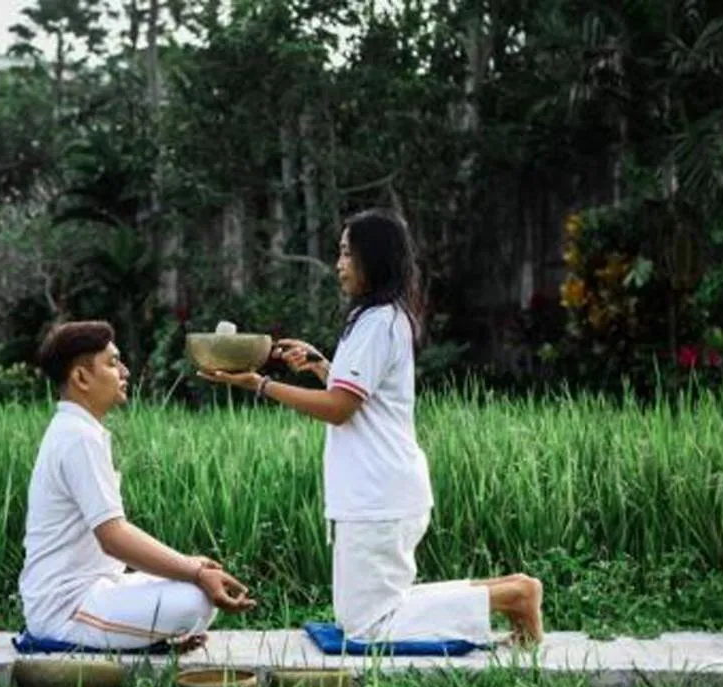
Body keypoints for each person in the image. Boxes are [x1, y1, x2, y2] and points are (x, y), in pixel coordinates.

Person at [199, 208, 544, 647]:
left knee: (370, 625)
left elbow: (340, 408)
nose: (340, 265)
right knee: (364, 614)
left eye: (347, 254)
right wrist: (323, 366)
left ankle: (513, 594)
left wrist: (260, 384)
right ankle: (509, 589)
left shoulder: (378, 322)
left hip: (379, 493)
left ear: (374, 259)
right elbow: (363, 400)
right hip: (376, 490)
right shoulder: (375, 319)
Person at [19, 320, 256, 651]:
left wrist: (192, 567)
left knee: (199, 581)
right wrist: (193, 572)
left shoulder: (79, 430)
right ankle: (131, 638)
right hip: (65, 609)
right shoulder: (77, 438)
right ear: (81, 378)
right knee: (196, 600)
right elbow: (113, 538)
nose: (125, 371)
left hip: (98, 589)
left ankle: (145, 636)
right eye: (113, 363)